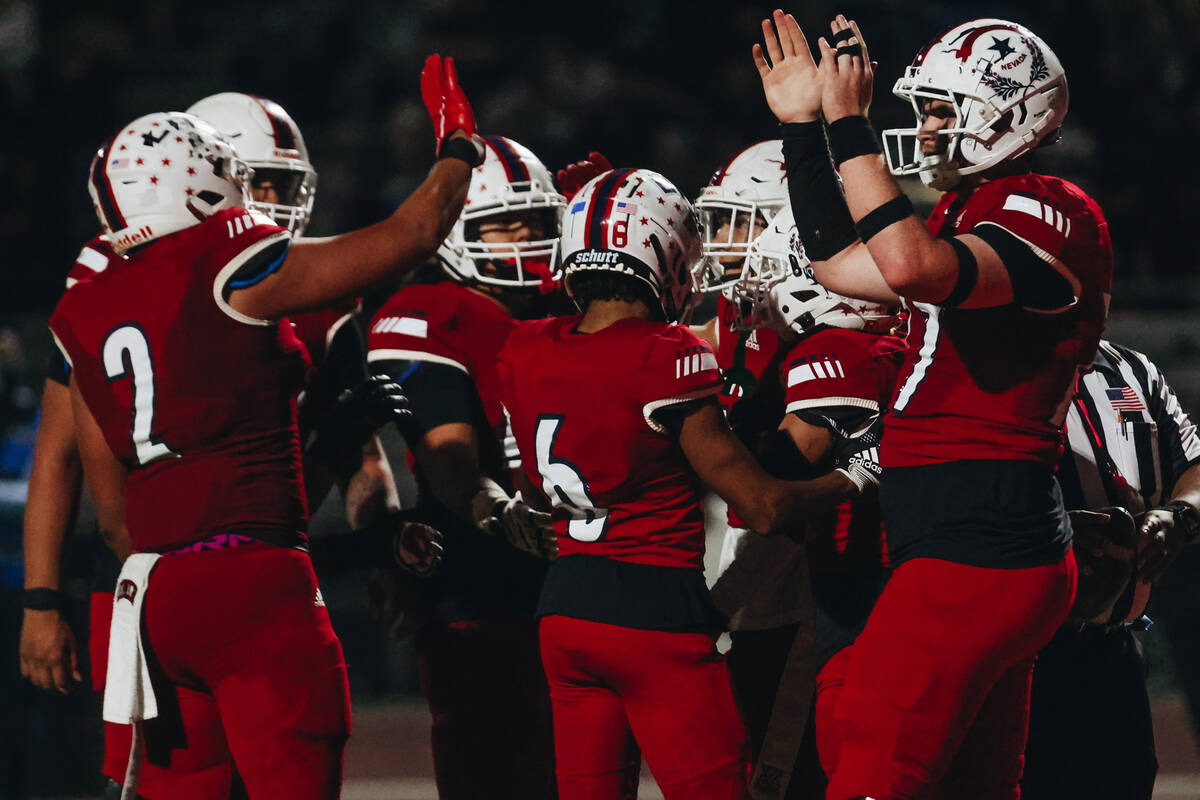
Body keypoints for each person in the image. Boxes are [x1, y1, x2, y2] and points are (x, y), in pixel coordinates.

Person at [48, 54, 479, 799]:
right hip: (255, 590)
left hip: (153, 592)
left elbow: (112, 508)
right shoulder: (230, 264)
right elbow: (415, 231)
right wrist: (459, 149)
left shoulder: (86, 305)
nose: (251, 194)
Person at [754, 13, 1112, 797]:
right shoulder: (973, 210)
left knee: (869, 756)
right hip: (962, 534)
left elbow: (911, 267)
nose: (927, 131)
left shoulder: (1049, 207)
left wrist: (850, 122)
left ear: (1011, 111)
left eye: (944, 112)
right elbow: (841, 265)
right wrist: (805, 129)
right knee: (964, 784)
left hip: (982, 536)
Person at [496, 167, 882, 800]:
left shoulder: (525, 346)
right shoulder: (665, 352)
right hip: (654, 616)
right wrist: (856, 475)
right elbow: (763, 507)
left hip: (564, 611)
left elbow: (542, 479)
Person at [365, 135, 563, 799]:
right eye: (502, 224)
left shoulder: (565, 312)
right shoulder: (432, 313)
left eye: (538, 223)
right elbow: (451, 467)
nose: (525, 240)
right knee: (493, 768)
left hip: (575, 588)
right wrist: (499, 512)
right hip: (484, 585)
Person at [712, 207, 902, 799]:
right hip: (889, 578)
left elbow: (770, 491)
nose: (759, 285)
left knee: (821, 764)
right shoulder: (890, 342)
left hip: (856, 592)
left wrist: (713, 428)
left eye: (773, 268)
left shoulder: (835, 351)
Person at [1021, 340, 1200, 800]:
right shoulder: (991, 362)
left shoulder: (1133, 370)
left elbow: (1194, 462)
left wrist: (1178, 516)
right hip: (1019, 653)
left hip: (1113, 646)